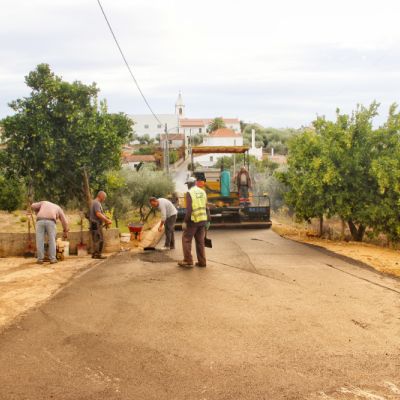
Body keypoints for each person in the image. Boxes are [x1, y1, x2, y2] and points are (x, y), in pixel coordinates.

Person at [178, 177, 208, 268]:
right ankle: (202, 262)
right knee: (200, 242)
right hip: (202, 219)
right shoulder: (202, 191)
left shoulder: (190, 193)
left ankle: (188, 261)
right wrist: (208, 220)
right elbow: (206, 206)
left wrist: (185, 221)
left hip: (193, 220)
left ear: (190, 184)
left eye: (187, 184)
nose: (187, 186)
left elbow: (189, 209)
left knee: (186, 239)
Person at [30, 201, 69, 265]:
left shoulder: (44, 202)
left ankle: (40, 259)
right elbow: (64, 221)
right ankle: (53, 259)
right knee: (52, 240)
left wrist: (36, 210)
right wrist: (65, 231)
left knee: (39, 240)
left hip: (40, 221)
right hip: (51, 221)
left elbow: (33, 206)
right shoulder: (58, 208)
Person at [89, 191, 112, 259]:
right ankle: (98, 254)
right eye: (104, 198)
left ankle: (95, 254)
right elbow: (98, 214)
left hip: (94, 224)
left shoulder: (95, 202)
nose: (104, 199)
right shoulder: (96, 203)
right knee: (99, 239)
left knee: (96, 239)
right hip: (96, 224)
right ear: (101, 196)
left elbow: (100, 213)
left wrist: (105, 217)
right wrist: (107, 220)